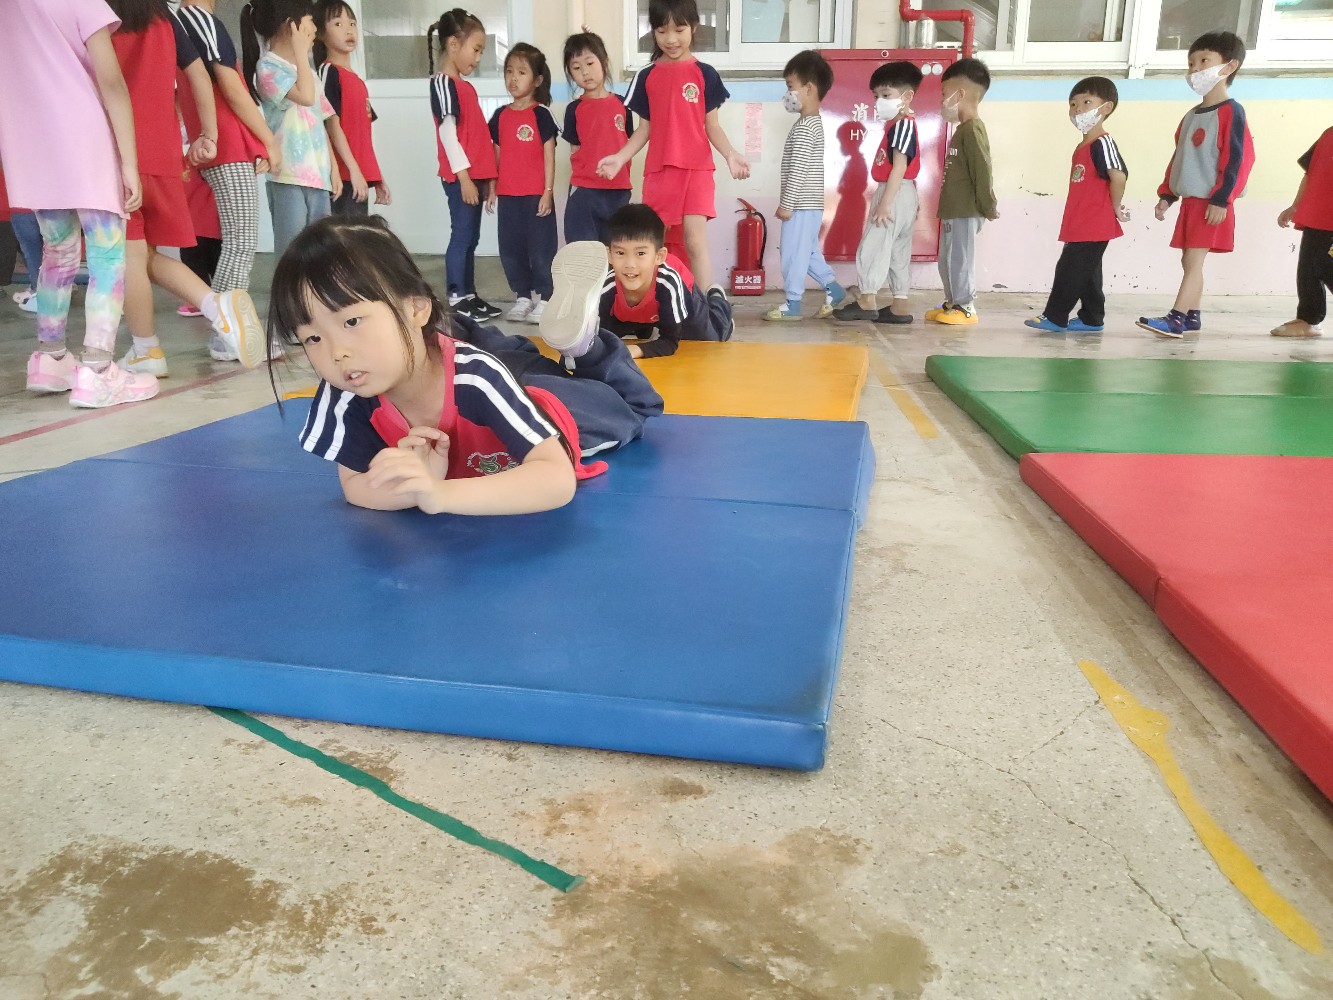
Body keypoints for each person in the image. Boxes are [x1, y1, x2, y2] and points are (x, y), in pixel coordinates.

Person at [283, 216, 663, 516]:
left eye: (351, 322)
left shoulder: (476, 377)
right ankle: (460, 330)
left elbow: (556, 479)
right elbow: (355, 485)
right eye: (312, 338)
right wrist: (414, 489)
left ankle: (587, 347)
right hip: (465, 366)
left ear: (415, 308)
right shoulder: (346, 390)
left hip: (546, 410)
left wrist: (440, 494)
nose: (336, 353)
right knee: (497, 364)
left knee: (632, 407)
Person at [0, 0, 160, 407]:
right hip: (84, 136)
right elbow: (112, 82)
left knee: (57, 251)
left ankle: (50, 358)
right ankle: (99, 371)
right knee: (106, 253)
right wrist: (129, 162)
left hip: (30, 143)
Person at [110, 0, 268, 376]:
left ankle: (146, 349)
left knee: (126, 257)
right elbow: (197, 73)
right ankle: (217, 306)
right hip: (164, 153)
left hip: (119, 150)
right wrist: (206, 134)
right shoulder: (162, 15)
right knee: (143, 254)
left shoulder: (99, 12)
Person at [595, 0, 750, 290]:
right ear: (653, 31)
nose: (671, 39)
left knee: (694, 240)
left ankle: (704, 304)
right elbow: (644, 130)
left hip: (697, 170)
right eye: (662, 31)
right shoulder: (646, 76)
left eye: (679, 30)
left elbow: (712, 126)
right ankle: (659, 301)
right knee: (657, 244)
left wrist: (731, 154)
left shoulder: (705, 74)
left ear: (694, 28)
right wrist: (620, 157)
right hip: (660, 172)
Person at [1138, 31, 1254, 339]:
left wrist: (1222, 199)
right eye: (1191, 63)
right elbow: (1180, 158)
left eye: (1204, 61)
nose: (1195, 70)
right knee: (1189, 260)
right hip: (1192, 202)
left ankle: (1176, 318)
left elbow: (1237, 159)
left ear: (1229, 66)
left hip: (1211, 202)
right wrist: (1167, 194)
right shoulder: (1191, 115)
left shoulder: (1232, 111)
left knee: (1193, 261)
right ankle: (1192, 316)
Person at [177, 0, 280, 338]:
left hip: (224, 145)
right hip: (225, 147)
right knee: (240, 242)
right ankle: (227, 334)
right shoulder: (198, 18)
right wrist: (269, 140)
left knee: (236, 241)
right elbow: (231, 87)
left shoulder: (188, 20)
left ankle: (227, 331)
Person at [243, 0, 367, 257]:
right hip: (288, 176)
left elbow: (321, 120)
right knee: (292, 252)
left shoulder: (308, 72)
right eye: (310, 22)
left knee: (321, 253)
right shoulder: (268, 68)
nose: (314, 29)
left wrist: (333, 168)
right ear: (292, 26)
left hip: (318, 176)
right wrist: (301, 53)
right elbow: (306, 97)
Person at [542, 203, 731, 362]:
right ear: (609, 255)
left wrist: (635, 350)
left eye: (640, 253)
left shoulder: (669, 283)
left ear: (659, 256)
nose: (630, 264)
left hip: (680, 291)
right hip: (639, 310)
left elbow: (670, 342)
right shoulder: (607, 286)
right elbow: (600, 337)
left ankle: (717, 299)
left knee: (711, 337)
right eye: (620, 253)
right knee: (609, 337)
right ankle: (643, 325)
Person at [1024, 77, 1129, 334]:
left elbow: (1118, 175)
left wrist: (1116, 207)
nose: (1078, 109)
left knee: (1069, 270)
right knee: (1088, 272)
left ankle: (1055, 316)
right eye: (1073, 104)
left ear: (1106, 107)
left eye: (1086, 102)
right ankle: (1092, 318)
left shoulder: (1102, 142)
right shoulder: (1083, 146)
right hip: (1081, 222)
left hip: (1094, 223)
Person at [833, 59, 925, 324]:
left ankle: (867, 300)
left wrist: (885, 203)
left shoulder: (902, 125)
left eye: (886, 95)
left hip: (893, 192)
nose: (878, 102)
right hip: (904, 192)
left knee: (874, 244)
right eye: (876, 96)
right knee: (898, 250)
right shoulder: (899, 125)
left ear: (907, 97)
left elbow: (899, 167)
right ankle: (899, 305)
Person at [429, 8, 500, 322]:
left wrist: (487, 178)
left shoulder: (465, 87)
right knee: (462, 235)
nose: (478, 57)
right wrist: (465, 178)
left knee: (471, 237)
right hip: (461, 178)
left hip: (475, 177)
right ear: (453, 44)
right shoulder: (443, 83)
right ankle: (457, 295)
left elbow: (476, 136)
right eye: (476, 49)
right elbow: (448, 134)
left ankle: (469, 294)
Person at [763, 50, 843, 322]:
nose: (787, 94)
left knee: (792, 254)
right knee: (806, 253)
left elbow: (798, 170)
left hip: (801, 205)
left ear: (808, 88)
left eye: (790, 86)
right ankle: (834, 289)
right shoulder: (810, 123)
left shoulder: (806, 128)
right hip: (809, 204)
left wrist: (787, 205)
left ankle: (793, 303)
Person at [487, 43, 559, 324]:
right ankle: (523, 297)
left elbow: (549, 156)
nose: (513, 78)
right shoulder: (499, 116)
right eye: (509, 71)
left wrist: (547, 192)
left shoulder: (542, 114)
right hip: (508, 197)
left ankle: (546, 298)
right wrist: (492, 189)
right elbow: (496, 155)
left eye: (521, 72)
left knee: (541, 249)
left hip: (536, 197)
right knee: (511, 249)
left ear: (537, 80)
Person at [927, 57, 996, 327]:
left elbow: (982, 169)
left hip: (966, 210)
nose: (942, 100)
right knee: (947, 260)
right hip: (952, 210)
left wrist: (988, 205)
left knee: (960, 259)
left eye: (944, 93)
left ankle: (966, 306)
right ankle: (952, 302)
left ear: (960, 94)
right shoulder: (961, 130)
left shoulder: (973, 129)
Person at [315, 0, 389, 217]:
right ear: (320, 33)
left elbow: (362, 138)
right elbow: (331, 125)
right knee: (343, 235)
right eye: (338, 24)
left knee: (358, 234)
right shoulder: (328, 72)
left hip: (358, 177)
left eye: (352, 24)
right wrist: (353, 170)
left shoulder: (357, 80)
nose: (348, 30)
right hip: (342, 177)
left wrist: (376, 177)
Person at [561, 31, 634, 246]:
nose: (585, 72)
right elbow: (575, 150)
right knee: (584, 252)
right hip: (585, 193)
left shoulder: (623, 105)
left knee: (617, 250)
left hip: (619, 190)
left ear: (604, 62)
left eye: (590, 63)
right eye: (576, 68)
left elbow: (629, 144)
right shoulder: (574, 110)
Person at [1271, 125, 1333, 339]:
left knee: (1326, 266)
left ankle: (1310, 318)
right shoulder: (1328, 135)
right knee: (1308, 269)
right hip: (1317, 218)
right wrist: (1295, 206)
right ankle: (1308, 320)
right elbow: (1310, 173)